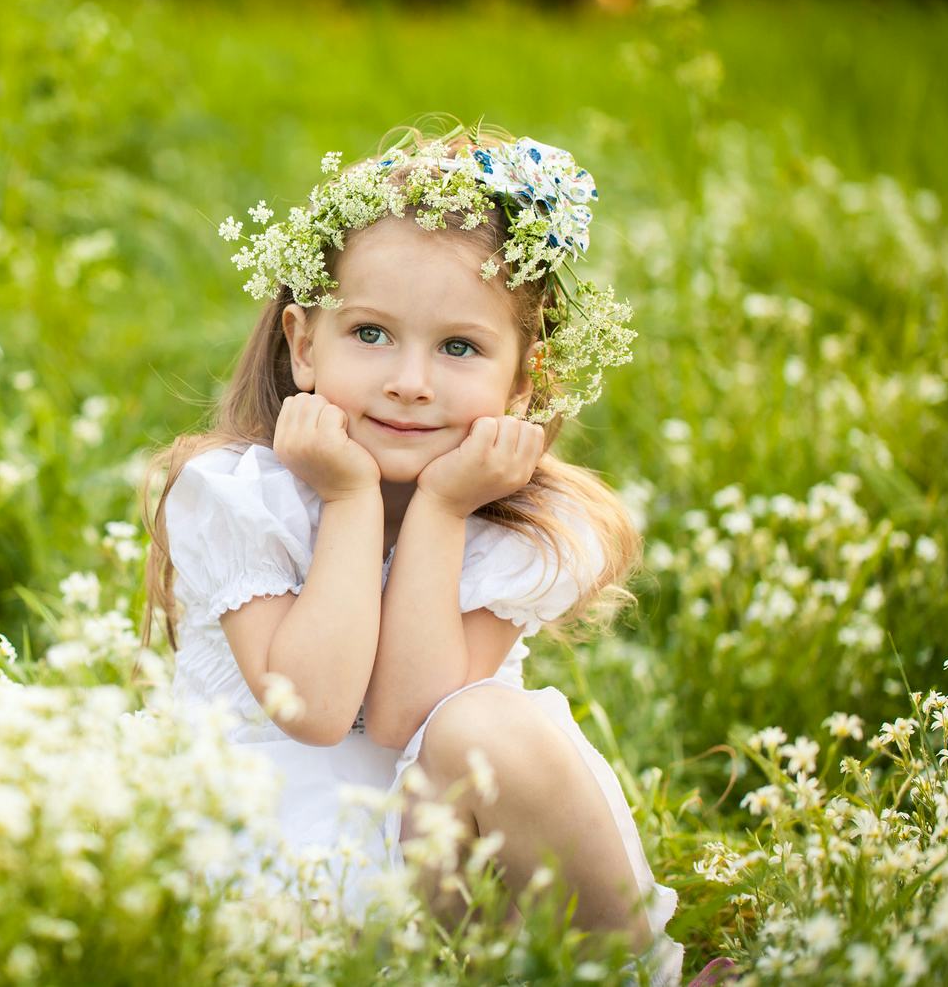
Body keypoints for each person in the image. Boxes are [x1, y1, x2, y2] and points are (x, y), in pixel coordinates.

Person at [138, 116, 690, 985]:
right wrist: (352, 498)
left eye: (460, 347)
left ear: (525, 380)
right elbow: (314, 708)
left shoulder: (520, 529)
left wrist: (439, 506)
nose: (409, 379)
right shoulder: (241, 497)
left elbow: (412, 717)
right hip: (279, 890)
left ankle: (630, 972)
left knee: (490, 724)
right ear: (302, 341)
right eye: (370, 333)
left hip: (436, 875)